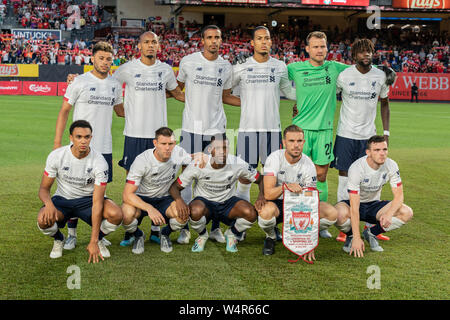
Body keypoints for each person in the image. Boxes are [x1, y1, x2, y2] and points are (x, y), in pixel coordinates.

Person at [54, 41, 124, 250]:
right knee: (73, 188)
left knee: (99, 191)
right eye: (101, 58)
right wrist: (58, 143)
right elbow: (64, 110)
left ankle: (99, 236)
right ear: (92, 58)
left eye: (109, 59)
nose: (105, 62)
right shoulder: (80, 81)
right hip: (79, 146)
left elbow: (120, 111)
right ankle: (72, 234)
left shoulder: (114, 84)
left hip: (104, 147)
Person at [175, 25, 240, 244]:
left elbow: (226, 96)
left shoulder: (226, 66)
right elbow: (177, 88)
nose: (214, 41)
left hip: (216, 129)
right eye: (209, 37)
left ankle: (214, 227)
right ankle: (184, 226)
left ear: (222, 40)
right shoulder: (188, 62)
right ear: (202, 40)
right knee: (187, 174)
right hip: (191, 128)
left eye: (217, 38)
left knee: (216, 174)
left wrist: (253, 104)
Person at [288, 31, 350, 238]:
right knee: (296, 176)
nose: (319, 50)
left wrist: (382, 70)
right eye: (315, 46)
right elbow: (275, 78)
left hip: (324, 130)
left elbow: (359, 70)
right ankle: (293, 218)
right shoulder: (295, 68)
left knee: (321, 175)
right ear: (307, 49)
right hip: (301, 131)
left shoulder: (334, 67)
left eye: (322, 46)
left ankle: (319, 221)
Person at [330, 39, 392, 243]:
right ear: (354, 55)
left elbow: (385, 104)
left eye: (369, 51)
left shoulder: (381, 75)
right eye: (362, 52)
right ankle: (344, 224)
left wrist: (386, 133)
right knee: (345, 178)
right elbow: (328, 97)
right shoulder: (344, 76)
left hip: (369, 137)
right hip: (346, 135)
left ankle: (372, 225)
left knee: (373, 176)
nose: (366, 55)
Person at [37, 120, 123, 262]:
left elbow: (97, 202)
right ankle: (59, 239)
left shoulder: (99, 162)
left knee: (117, 214)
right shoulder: (57, 156)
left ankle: (99, 240)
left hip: (88, 200)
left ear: (91, 138)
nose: (83, 141)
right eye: (79, 137)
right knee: (43, 219)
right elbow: (43, 189)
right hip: (62, 200)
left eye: (87, 137)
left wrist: (94, 240)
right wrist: (49, 205)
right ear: (71, 137)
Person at [169, 134, 265, 253]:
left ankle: (231, 234)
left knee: (251, 213)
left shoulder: (237, 163)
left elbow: (261, 179)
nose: (222, 152)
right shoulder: (199, 164)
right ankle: (202, 235)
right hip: (205, 204)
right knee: (194, 211)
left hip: (228, 204)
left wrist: (261, 196)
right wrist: (179, 201)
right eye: (218, 148)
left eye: (225, 148)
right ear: (210, 150)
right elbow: (174, 187)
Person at [121, 127, 206, 254]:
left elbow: (189, 158)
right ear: (155, 143)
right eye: (163, 144)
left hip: (165, 198)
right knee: (126, 214)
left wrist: (200, 154)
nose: (167, 148)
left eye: (171, 144)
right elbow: (127, 195)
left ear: (175, 143)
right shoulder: (142, 160)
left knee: (183, 215)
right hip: (143, 198)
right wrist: (150, 208)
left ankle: (165, 234)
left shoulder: (178, 153)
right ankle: (138, 235)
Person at [258, 125, 338, 259]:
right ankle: (271, 236)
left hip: (299, 204)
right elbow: (268, 194)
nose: (296, 145)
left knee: (332, 213)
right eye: (291, 141)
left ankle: (302, 235)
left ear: (304, 143)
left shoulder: (309, 165)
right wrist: (286, 186)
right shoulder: (274, 158)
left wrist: (309, 242)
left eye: (299, 141)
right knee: (265, 213)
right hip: (278, 204)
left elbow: (310, 200)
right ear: (284, 142)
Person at [334, 135, 413, 257]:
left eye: (384, 149)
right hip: (353, 204)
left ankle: (371, 233)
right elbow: (354, 208)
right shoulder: (356, 168)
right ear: (368, 152)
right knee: (337, 214)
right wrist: (356, 237)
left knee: (406, 212)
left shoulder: (391, 165)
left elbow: (399, 196)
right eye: (377, 150)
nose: (382, 153)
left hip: (374, 205)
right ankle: (350, 236)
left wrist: (389, 214)